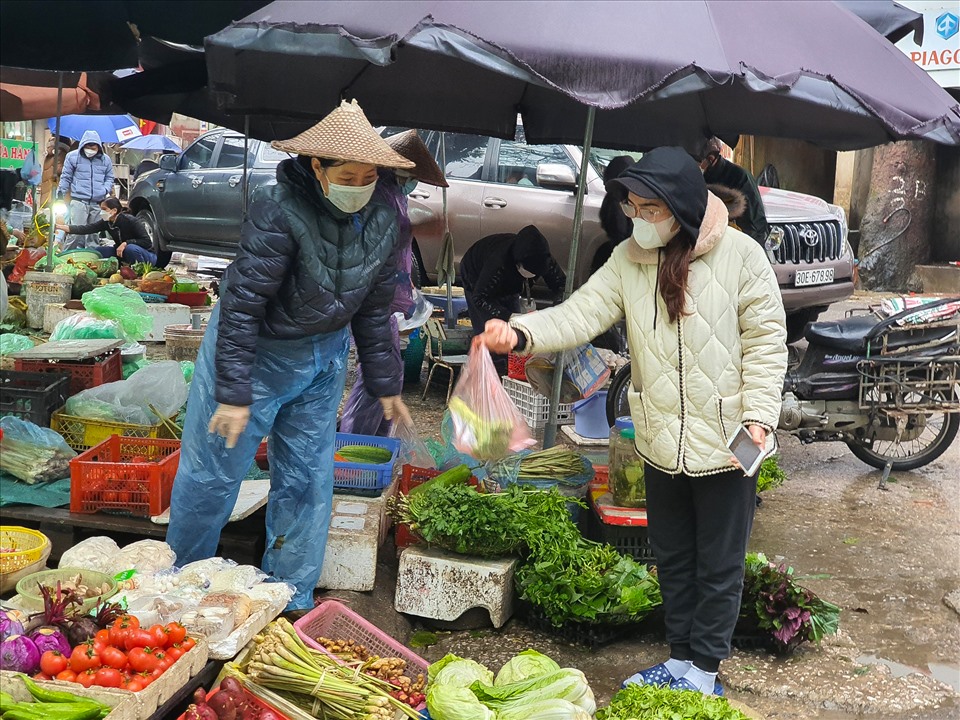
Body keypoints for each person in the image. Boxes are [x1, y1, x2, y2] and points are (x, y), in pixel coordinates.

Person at [479, 147, 787, 696]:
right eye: (634, 208)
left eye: (649, 209)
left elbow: (767, 343)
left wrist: (761, 417)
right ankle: (681, 659)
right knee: (672, 557)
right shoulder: (628, 259)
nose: (638, 219)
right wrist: (521, 332)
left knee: (718, 564)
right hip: (659, 435)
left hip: (727, 440)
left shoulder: (742, 257)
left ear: (680, 206)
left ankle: (705, 672)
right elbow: (581, 312)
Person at [165, 100, 415, 614]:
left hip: (322, 359)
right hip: (253, 351)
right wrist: (233, 393)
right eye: (349, 174)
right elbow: (241, 308)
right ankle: (179, 590)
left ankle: (289, 598)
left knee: (308, 479)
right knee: (214, 475)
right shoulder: (277, 206)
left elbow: (372, 311)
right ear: (316, 168)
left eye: (371, 175)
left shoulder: (385, 217)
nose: (361, 185)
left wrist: (385, 382)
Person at [340, 129, 448, 436]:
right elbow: (380, 238)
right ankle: (354, 444)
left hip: (389, 293)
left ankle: (373, 439)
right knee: (378, 376)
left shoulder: (396, 193)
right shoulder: (379, 194)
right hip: (376, 297)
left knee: (388, 373)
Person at [461, 224, 566, 373]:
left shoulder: (544, 259)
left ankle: (510, 372)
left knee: (517, 334)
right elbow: (480, 298)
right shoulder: (497, 262)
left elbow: (562, 286)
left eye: (537, 274)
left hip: (511, 287)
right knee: (493, 337)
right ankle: (487, 376)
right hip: (476, 278)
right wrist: (508, 316)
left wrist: (558, 309)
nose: (534, 276)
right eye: (531, 272)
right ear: (519, 264)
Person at [694, 137, 768, 244]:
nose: (695, 166)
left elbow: (755, 225)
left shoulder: (740, 178)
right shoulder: (697, 178)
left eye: (697, 162)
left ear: (710, 159)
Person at [57, 130, 115, 251]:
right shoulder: (72, 157)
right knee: (75, 233)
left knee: (93, 236)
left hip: (97, 203)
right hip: (78, 201)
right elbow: (66, 177)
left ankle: (91, 259)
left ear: (98, 146)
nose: (90, 148)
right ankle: (65, 257)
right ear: (83, 145)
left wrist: (104, 189)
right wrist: (61, 195)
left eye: (93, 146)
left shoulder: (106, 160)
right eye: (88, 145)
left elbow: (110, 177)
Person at [54, 197, 156, 265]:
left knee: (130, 248)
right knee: (98, 251)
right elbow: (86, 229)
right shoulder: (106, 222)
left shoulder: (131, 220)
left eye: (104, 209)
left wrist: (126, 243)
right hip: (121, 252)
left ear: (114, 211)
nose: (102, 212)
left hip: (146, 255)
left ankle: (138, 272)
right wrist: (61, 227)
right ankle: (120, 267)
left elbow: (147, 242)